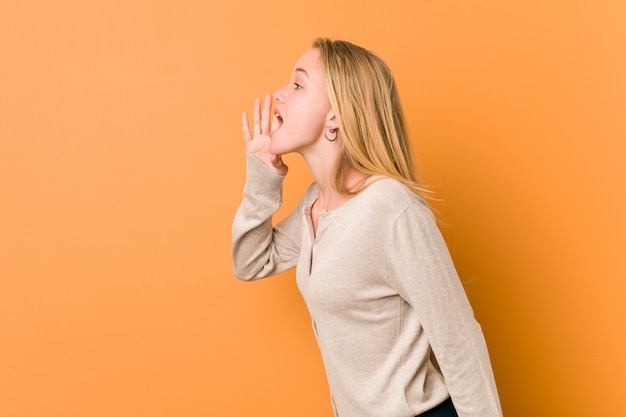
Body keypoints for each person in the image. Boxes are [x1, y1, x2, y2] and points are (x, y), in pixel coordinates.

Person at [232, 38, 503, 417]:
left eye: (297, 84)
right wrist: (263, 175)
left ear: (335, 116)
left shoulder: (390, 210)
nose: (279, 94)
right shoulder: (316, 203)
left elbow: (459, 339)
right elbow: (252, 262)